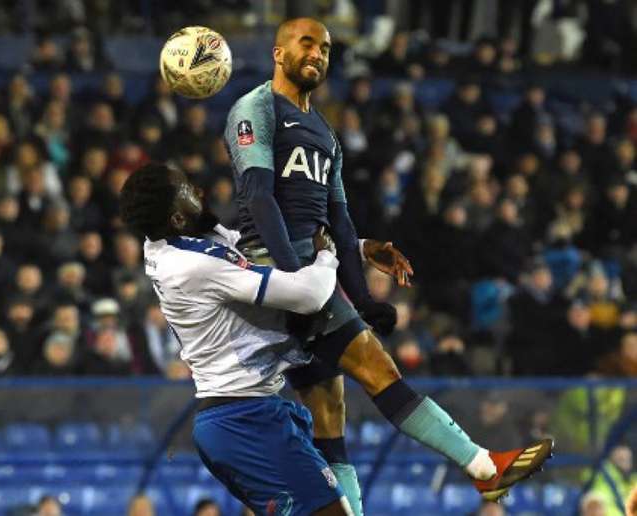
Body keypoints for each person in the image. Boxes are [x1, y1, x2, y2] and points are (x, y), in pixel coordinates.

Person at [224, 17, 551, 513]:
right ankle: (485, 467)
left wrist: (363, 296)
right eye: (306, 43)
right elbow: (260, 199)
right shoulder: (255, 108)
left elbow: (340, 220)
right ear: (278, 52)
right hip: (276, 272)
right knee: (377, 367)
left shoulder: (325, 134)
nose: (316, 54)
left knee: (330, 412)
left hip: (310, 274)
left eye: (326, 48)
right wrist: (297, 280)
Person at [120, 162, 552, 515]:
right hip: (244, 421)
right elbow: (308, 293)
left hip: (249, 414)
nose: (196, 188)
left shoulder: (186, 241)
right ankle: (481, 467)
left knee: (335, 428)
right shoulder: (187, 266)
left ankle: (482, 466)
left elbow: (262, 250)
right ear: (177, 216)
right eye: (186, 190)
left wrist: (357, 248)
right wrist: (329, 256)